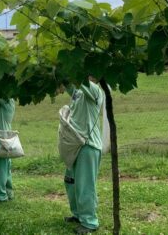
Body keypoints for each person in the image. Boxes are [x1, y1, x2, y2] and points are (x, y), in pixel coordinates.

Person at [63, 77, 104, 234]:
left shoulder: (94, 90)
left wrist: (72, 67)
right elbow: (70, 85)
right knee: (70, 181)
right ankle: (78, 215)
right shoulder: (79, 92)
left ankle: (90, 222)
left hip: (89, 145)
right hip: (75, 143)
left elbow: (78, 79)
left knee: (85, 185)